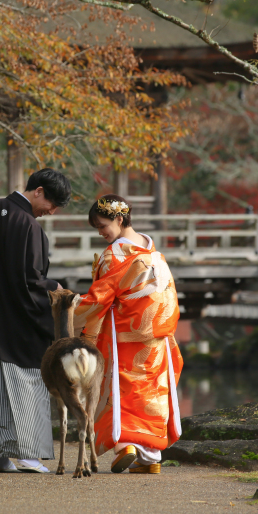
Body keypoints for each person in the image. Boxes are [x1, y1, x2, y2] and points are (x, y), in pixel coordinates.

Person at [0, 168, 72, 473]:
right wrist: (54, 287)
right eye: (52, 204)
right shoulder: (28, 225)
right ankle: (28, 455)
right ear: (39, 191)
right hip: (18, 323)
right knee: (27, 383)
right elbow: (31, 281)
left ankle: (1, 457)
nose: (51, 212)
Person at [73, 194, 183, 474]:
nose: (100, 233)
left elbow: (99, 298)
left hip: (124, 333)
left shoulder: (114, 255)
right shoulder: (152, 250)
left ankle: (126, 445)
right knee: (153, 391)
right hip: (157, 333)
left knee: (122, 388)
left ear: (119, 219)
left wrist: (69, 306)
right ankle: (151, 458)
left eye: (102, 226)